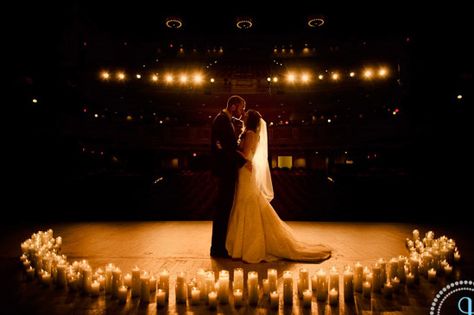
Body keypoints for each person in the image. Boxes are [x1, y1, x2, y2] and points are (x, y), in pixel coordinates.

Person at [226, 110, 332, 263]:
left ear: (250, 120)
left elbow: (246, 154)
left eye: (246, 116)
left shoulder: (250, 134)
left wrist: (230, 151)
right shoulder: (249, 133)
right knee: (244, 202)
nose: (243, 117)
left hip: (245, 170)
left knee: (247, 202)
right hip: (243, 170)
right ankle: (241, 245)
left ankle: (248, 246)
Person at [210, 95, 249, 257]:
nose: (242, 111)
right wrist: (245, 162)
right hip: (225, 171)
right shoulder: (221, 120)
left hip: (226, 170)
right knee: (222, 210)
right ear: (233, 106)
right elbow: (227, 149)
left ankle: (220, 247)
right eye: (241, 107)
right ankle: (218, 249)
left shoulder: (226, 120)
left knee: (225, 210)